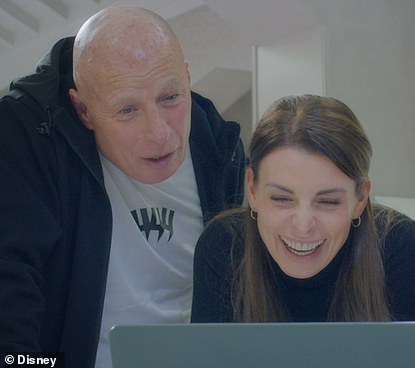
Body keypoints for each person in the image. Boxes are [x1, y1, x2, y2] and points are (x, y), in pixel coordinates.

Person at [0, 6, 245, 368]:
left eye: (170, 98)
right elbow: (11, 298)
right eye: (127, 110)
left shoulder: (221, 149)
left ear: (188, 77)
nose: (159, 134)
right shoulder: (28, 137)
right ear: (82, 109)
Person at [191, 94, 415, 323]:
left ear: (361, 198)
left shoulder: (397, 246)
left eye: (328, 202)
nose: (303, 227)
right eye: (281, 199)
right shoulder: (223, 247)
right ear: (252, 190)